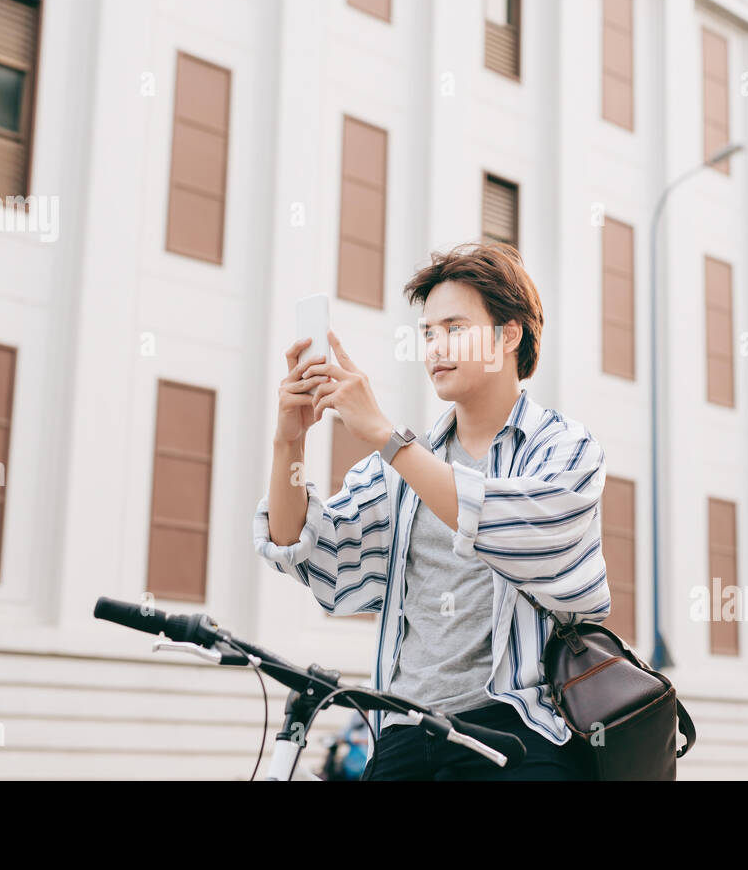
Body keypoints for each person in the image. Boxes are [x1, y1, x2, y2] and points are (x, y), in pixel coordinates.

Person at [252, 242, 609, 780]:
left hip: (520, 730)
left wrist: (384, 438)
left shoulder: (565, 448)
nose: (436, 347)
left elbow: (520, 529)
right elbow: (311, 551)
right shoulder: (404, 463)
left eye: (454, 327)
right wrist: (289, 443)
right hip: (405, 729)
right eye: (427, 333)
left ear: (508, 334)